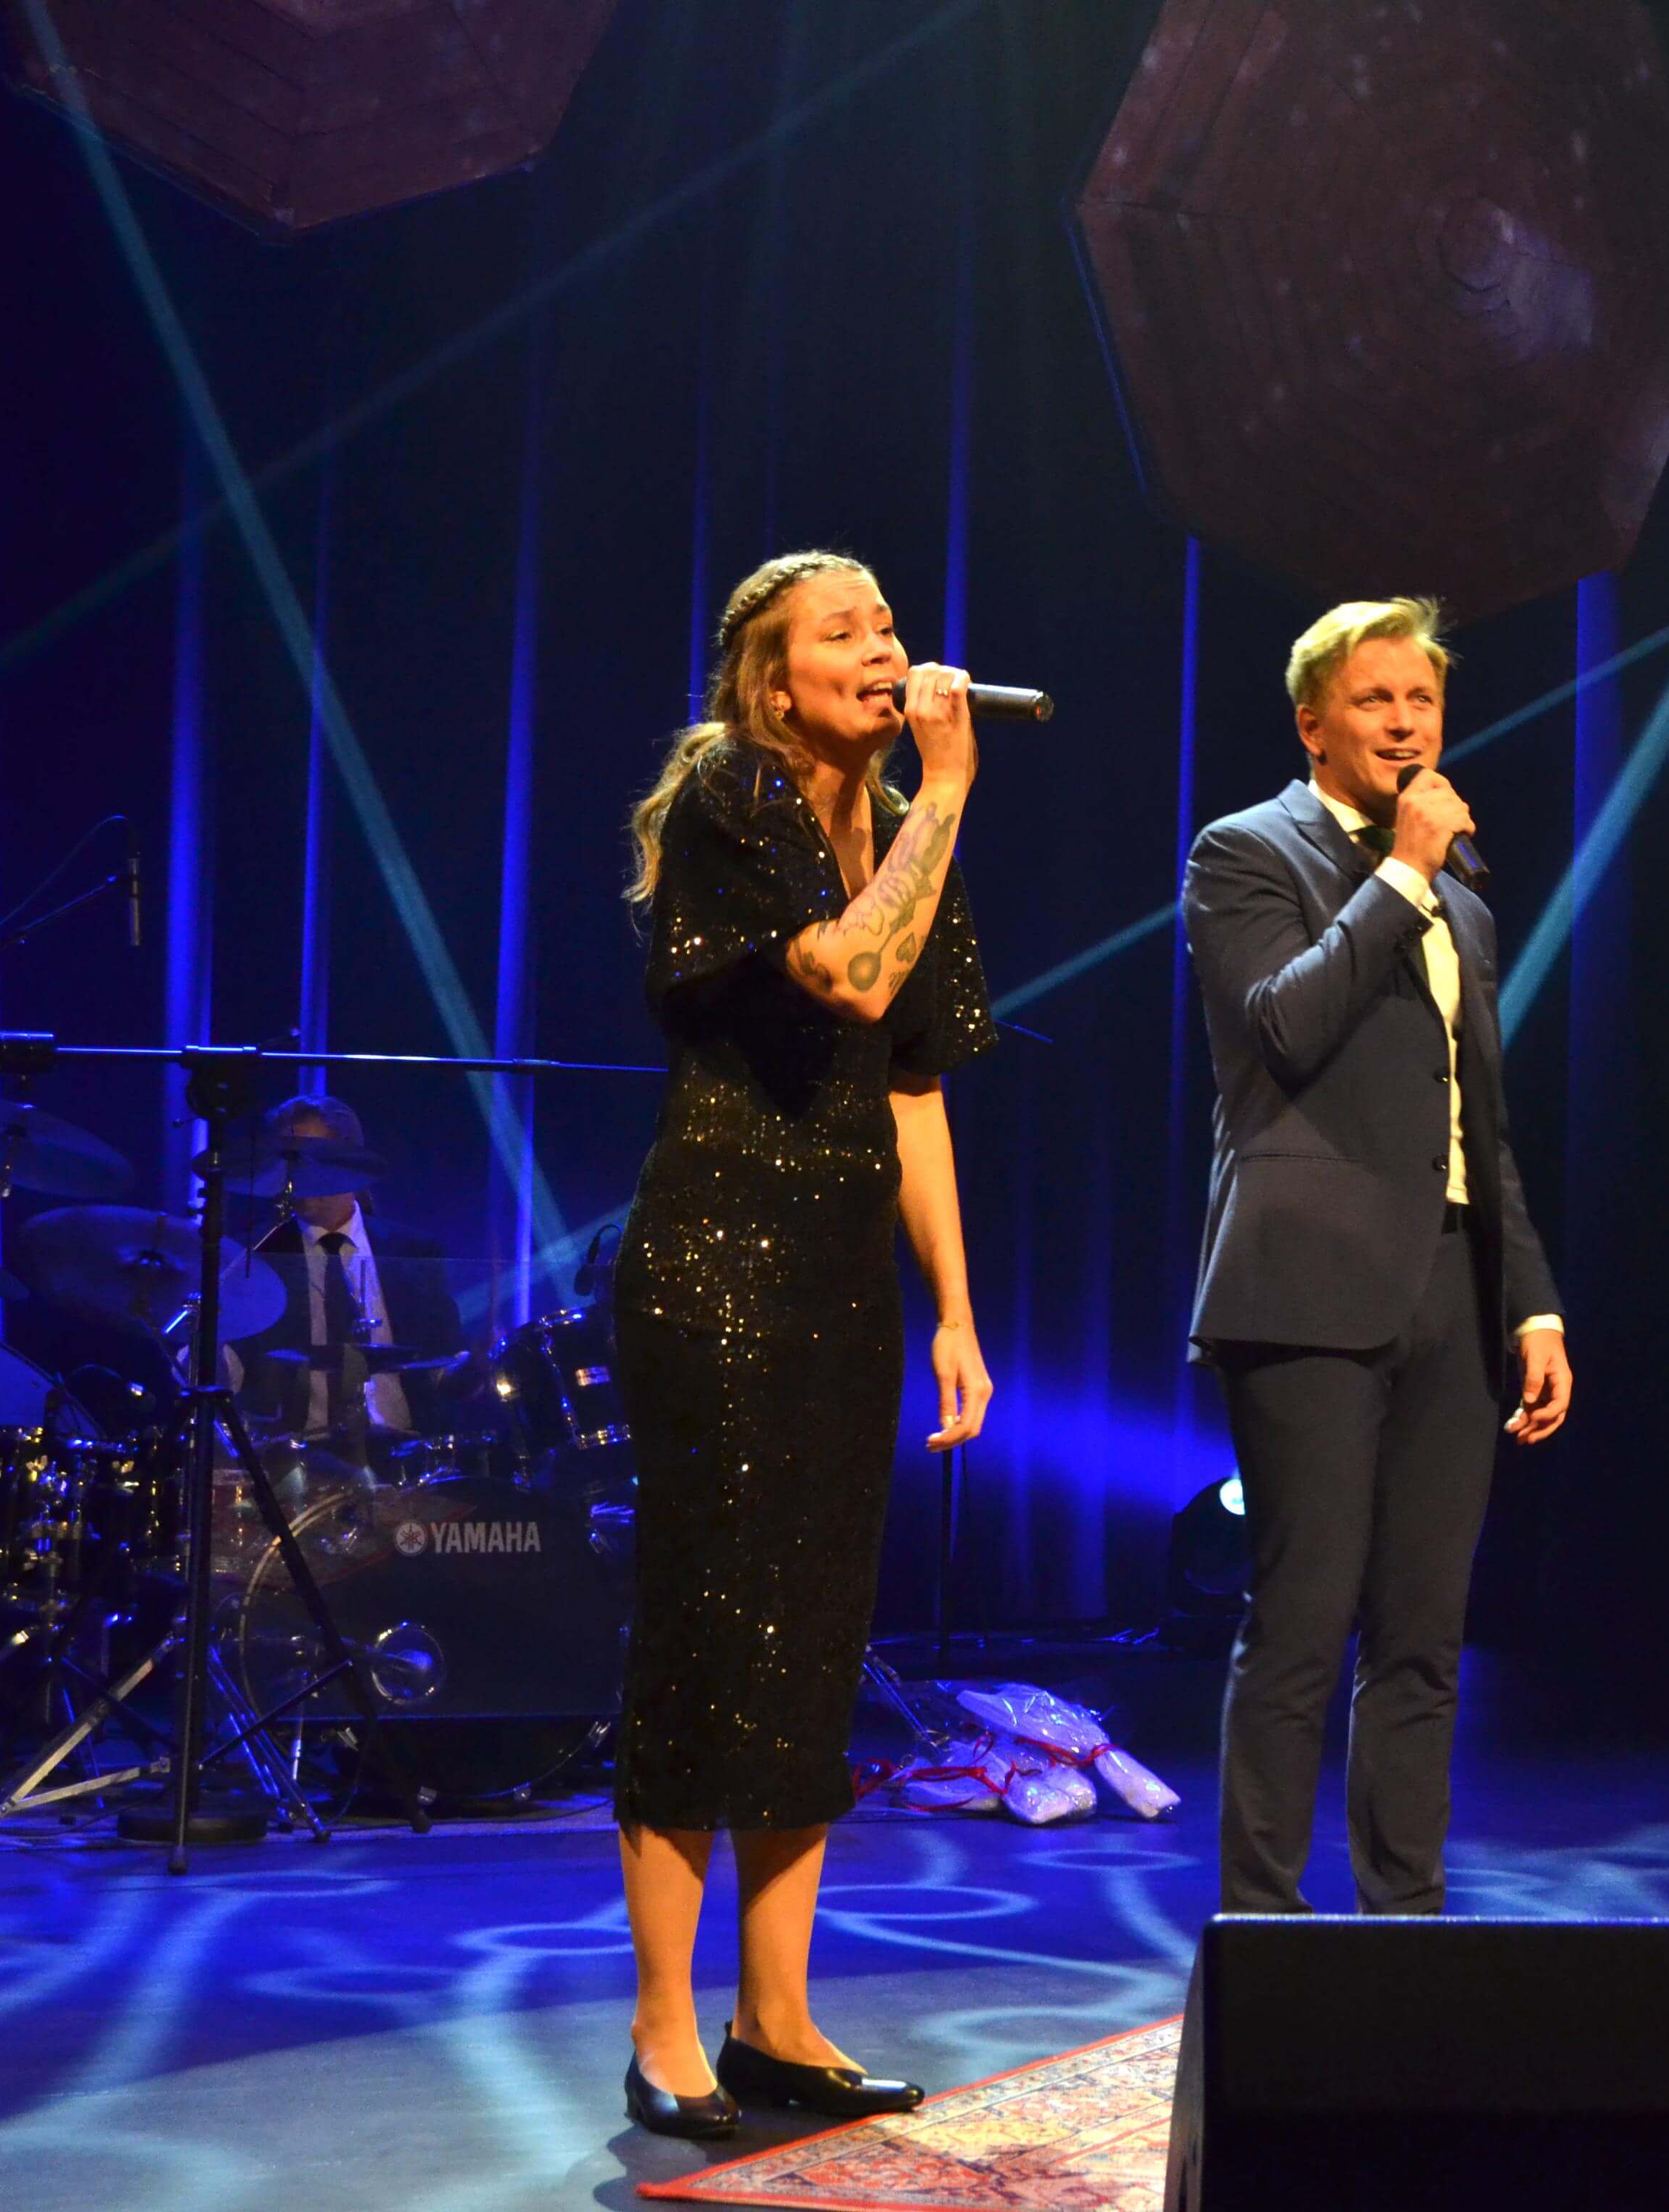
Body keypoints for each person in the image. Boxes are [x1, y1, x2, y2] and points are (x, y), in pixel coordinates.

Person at [607, 549, 997, 2137]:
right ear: (773, 681)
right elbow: (843, 973)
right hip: (715, 1262)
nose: (885, 649)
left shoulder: (899, 833)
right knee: (708, 1630)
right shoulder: (732, 797)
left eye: (890, 624)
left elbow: (914, 1085)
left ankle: (777, 2018)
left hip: (842, 1281)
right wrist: (947, 794)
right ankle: (663, 2030)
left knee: (812, 1638)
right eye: (845, 631)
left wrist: (955, 1307)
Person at [1182, 596, 1572, 1917]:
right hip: (1305, 1283)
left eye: (1422, 701)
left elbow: (1479, 1120)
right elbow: (1284, 1029)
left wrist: (1531, 1303)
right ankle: (1263, 1929)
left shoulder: (1463, 900)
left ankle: (1405, 1925)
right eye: (1374, 701)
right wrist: (1400, 875)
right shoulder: (1246, 851)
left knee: (1423, 1633)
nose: (1406, 725)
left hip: (1454, 1283)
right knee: (1302, 1620)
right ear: (1313, 723)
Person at [234, 1094, 467, 1441]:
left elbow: (443, 1360)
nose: (294, 1173)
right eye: (287, 1159)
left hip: (403, 1447)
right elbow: (235, 1367)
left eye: (306, 1156)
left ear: (351, 1161)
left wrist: (472, 1369)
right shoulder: (255, 1255)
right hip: (295, 1454)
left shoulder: (413, 1252)